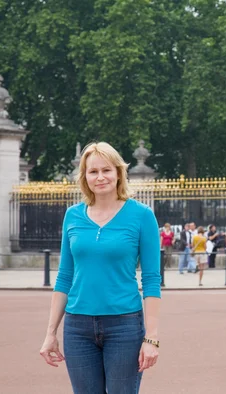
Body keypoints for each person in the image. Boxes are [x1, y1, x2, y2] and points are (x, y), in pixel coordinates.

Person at [39, 142, 161, 394]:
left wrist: (151, 338)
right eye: (92, 171)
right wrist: (51, 333)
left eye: (106, 170)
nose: (100, 177)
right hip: (77, 326)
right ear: (84, 176)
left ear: (118, 172)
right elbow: (64, 277)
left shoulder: (141, 215)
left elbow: (151, 280)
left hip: (124, 325)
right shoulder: (72, 216)